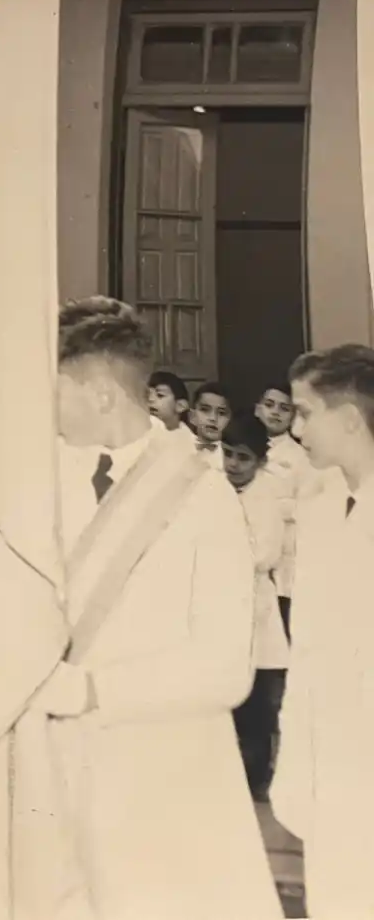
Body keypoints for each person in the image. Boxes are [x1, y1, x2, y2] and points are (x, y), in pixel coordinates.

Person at [0, 296, 279, 920]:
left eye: (55, 393)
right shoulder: (39, 483)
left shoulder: (203, 497)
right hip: (49, 789)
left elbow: (223, 669)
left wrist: (88, 691)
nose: (43, 413)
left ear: (103, 394)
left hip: (158, 783)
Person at [271, 344, 374, 915]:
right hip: (330, 742)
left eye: (306, 411)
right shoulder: (319, 504)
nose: (295, 424)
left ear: (351, 418)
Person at [221, 411, 290, 800]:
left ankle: (257, 775)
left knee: (257, 704)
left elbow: (264, 553)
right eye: (228, 454)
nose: (232, 464)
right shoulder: (213, 488)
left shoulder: (265, 497)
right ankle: (231, 776)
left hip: (255, 607)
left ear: (260, 461)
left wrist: (227, 551)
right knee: (228, 695)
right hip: (222, 605)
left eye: (243, 458)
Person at [255, 380, 312, 635]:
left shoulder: (301, 457)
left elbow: (307, 506)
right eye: (269, 405)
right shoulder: (241, 447)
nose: (275, 412)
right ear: (257, 409)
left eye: (284, 408)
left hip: (284, 552)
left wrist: (272, 506)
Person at [189, 380, 233, 465]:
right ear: (192, 416)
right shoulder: (176, 449)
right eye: (205, 410)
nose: (213, 418)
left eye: (221, 413)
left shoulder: (233, 460)